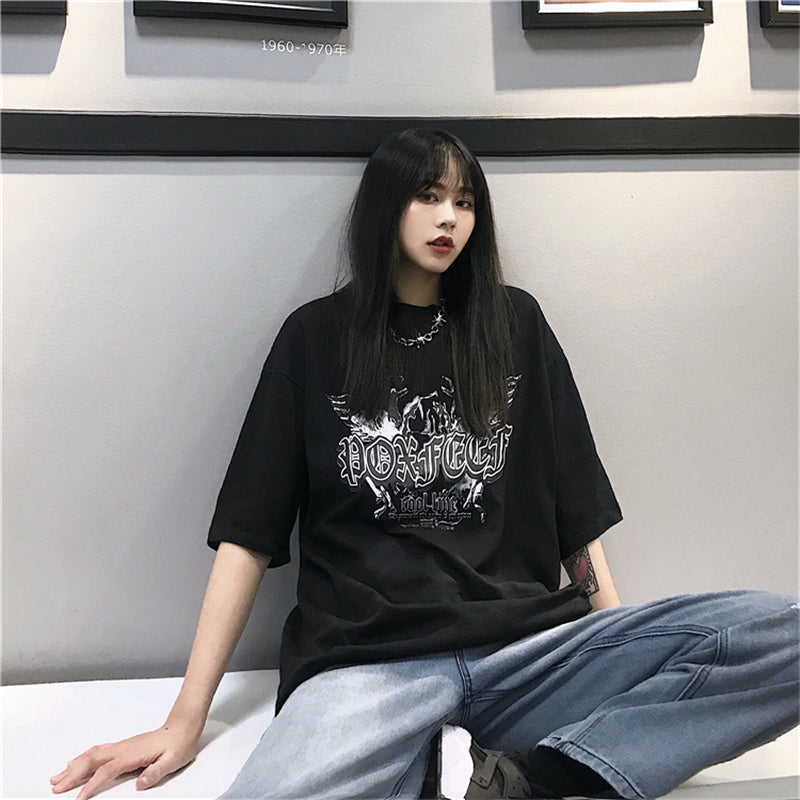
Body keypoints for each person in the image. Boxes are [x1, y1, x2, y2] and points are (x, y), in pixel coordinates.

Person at [50, 128, 799, 800]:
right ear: (386, 206)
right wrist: (185, 720)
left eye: (465, 202)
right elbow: (249, 534)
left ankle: (530, 779)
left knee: (782, 635)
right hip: (368, 670)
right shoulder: (315, 338)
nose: (450, 219)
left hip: (526, 654)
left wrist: (619, 650)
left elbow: (577, 518)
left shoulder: (516, 325)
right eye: (429, 196)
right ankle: (449, 772)